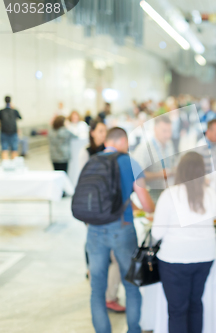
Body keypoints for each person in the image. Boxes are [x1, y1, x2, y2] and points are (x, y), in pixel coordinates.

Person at [86, 127, 155, 333]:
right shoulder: (129, 162)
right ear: (123, 142)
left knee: (97, 290)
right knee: (132, 287)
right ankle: (133, 330)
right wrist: (149, 209)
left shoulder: (92, 161)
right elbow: (146, 203)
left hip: (95, 230)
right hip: (123, 229)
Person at [152, 152, 216, 333]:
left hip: (175, 259)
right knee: (195, 304)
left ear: (180, 170)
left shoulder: (169, 195)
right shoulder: (210, 193)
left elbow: (157, 233)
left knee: (177, 310)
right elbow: (215, 218)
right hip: (205, 256)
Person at [77, 120, 124, 312]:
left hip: (110, 210)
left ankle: (105, 292)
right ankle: (103, 292)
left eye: (106, 131)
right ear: (93, 133)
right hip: (92, 207)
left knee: (108, 252)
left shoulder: (113, 155)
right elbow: (82, 181)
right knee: (98, 246)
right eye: (100, 131)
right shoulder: (86, 153)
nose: (103, 134)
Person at [133, 116, 176, 202]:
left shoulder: (170, 144)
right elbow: (137, 175)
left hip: (169, 192)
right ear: (155, 129)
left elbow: (172, 163)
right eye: (164, 131)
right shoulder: (144, 148)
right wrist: (159, 175)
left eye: (169, 131)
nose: (168, 135)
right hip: (152, 194)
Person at [0, 96, 22, 160]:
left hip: (4, 131)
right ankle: (14, 164)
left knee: (4, 148)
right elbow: (20, 117)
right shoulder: (14, 111)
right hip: (13, 132)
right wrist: (13, 107)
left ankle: (5, 163)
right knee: (14, 149)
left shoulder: (1, 111)